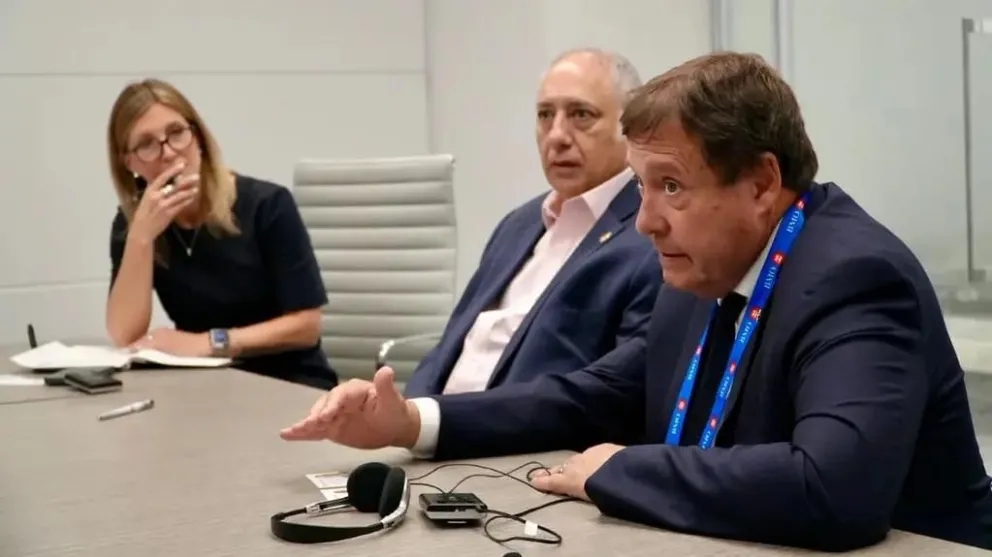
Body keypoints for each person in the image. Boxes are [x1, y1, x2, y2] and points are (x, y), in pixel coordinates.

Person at [279, 52, 992, 551]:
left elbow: (831, 488)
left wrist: (619, 470)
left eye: (671, 187)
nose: (646, 221)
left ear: (761, 184)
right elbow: (590, 398)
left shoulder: (854, 278)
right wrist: (413, 419)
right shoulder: (700, 268)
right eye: (642, 187)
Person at [403, 48, 661, 397]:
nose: (557, 136)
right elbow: (447, 350)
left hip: (514, 429)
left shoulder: (651, 233)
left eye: (581, 115)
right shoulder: (518, 225)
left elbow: (615, 393)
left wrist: (433, 418)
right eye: (545, 115)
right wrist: (404, 411)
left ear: (630, 128)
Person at [105, 78, 337, 390]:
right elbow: (125, 335)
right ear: (129, 162)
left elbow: (307, 326)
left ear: (198, 137)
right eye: (146, 144)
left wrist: (211, 342)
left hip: (289, 380)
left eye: (177, 133)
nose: (169, 152)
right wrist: (141, 238)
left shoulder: (267, 205)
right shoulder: (135, 226)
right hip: (206, 385)